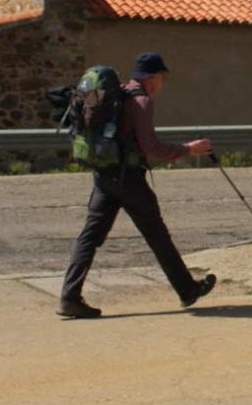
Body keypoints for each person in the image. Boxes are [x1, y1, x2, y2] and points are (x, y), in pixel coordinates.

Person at [59, 52, 217, 318]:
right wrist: (188, 149)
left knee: (89, 237)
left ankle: (69, 297)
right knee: (157, 234)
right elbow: (151, 147)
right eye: (162, 78)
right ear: (153, 78)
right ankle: (187, 289)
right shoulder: (141, 102)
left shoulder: (115, 94)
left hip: (103, 176)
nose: (162, 84)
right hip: (129, 179)